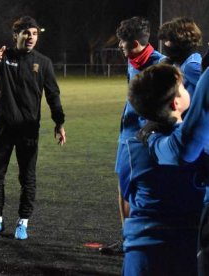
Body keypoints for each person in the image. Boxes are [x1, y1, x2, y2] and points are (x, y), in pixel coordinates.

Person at [0, 16, 66, 240]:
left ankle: (23, 222)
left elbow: (53, 95)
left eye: (35, 33)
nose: (31, 37)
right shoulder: (5, 55)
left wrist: (59, 121)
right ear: (16, 35)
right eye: (26, 33)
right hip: (2, 128)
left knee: (27, 178)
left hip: (28, 130)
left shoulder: (43, 63)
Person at [122, 63, 206, 275]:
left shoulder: (132, 146)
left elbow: (127, 195)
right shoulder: (199, 147)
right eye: (184, 87)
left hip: (141, 252)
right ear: (175, 102)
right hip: (186, 249)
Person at [100, 16, 164, 255]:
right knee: (123, 189)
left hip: (146, 140)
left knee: (145, 191)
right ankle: (128, 240)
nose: (119, 46)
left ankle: (143, 242)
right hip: (125, 137)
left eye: (122, 43)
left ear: (135, 43)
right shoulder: (132, 61)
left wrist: (152, 125)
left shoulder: (161, 66)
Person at [158, 17, 202, 98]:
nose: (165, 44)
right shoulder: (178, 62)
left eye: (168, 40)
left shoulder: (191, 66)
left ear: (179, 42)